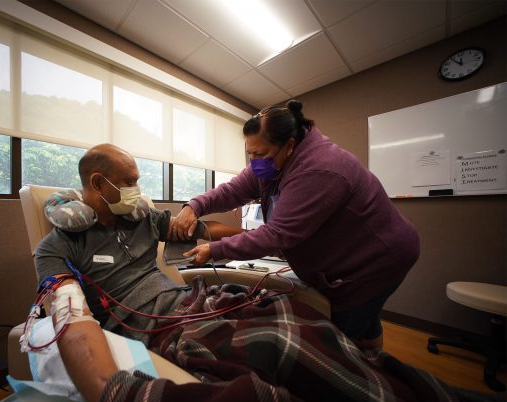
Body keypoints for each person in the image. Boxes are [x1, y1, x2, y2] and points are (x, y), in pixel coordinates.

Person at [33, 143, 503, 402]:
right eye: (129, 182)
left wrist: (252, 238)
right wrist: (107, 390)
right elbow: (69, 318)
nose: (138, 191)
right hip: (160, 324)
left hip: (192, 298)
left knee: (301, 318)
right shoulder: (57, 247)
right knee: (279, 343)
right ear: (98, 183)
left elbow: (195, 230)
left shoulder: (136, 217)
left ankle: (423, 400)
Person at [173, 100, 420, 350]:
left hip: (377, 260)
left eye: (260, 154)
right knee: (367, 321)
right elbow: (233, 190)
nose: (254, 162)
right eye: (250, 154)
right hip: (359, 253)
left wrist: (215, 250)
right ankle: (375, 362)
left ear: (289, 145)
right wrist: (195, 205)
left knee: (341, 337)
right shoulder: (271, 161)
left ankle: (357, 379)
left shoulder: (322, 168)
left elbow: (277, 234)